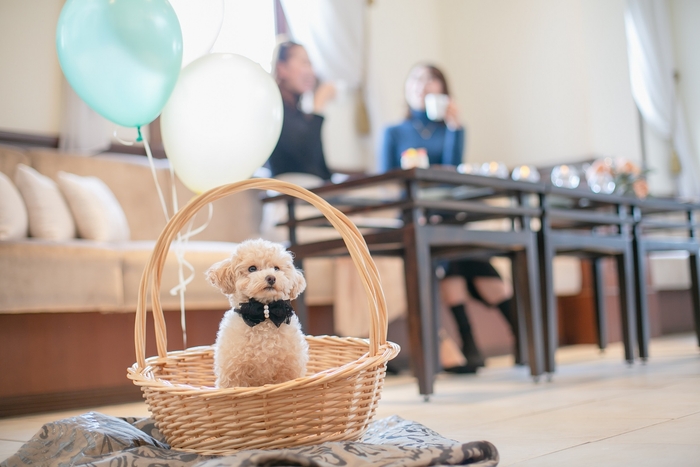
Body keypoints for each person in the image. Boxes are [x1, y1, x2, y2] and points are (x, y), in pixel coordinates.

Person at [380, 64, 516, 373]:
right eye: (416, 79)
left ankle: (471, 343)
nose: (422, 85)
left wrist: (455, 128)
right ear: (407, 90)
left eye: (431, 80)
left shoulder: (450, 129)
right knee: (461, 253)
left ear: (443, 90)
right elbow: (387, 181)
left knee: (451, 251)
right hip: (414, 214)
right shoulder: (394, 132)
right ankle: (520, 331)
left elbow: (453, 176)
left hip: (448, 215)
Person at [266, 41, 336, 181]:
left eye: (311, 64)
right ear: (282, 68)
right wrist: (318, 106)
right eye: (305, 63)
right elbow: (306, 162)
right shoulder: (275, 110)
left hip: (316, 189)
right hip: (293, 189)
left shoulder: (297, 113)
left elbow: (320, 168)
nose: (311, 71)